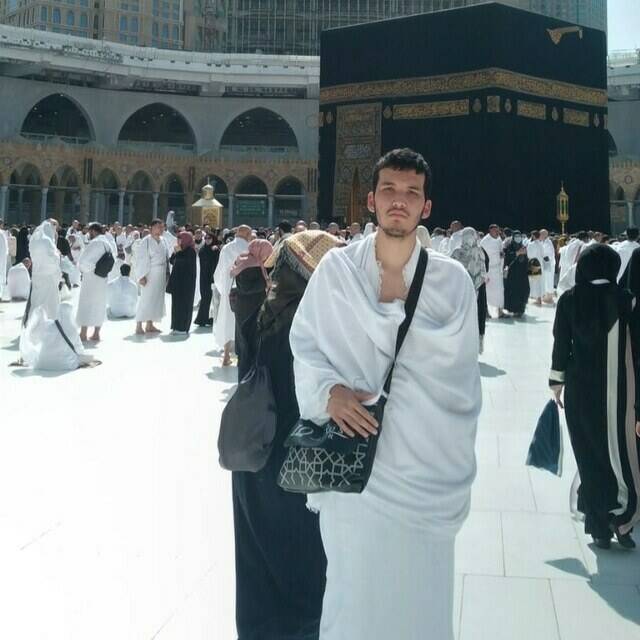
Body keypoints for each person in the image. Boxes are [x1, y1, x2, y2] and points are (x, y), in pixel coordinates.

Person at [289, 148, 481, 640]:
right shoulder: (337, 272)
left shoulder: (453, 283)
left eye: (412, 192)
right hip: (357, 472)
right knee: (354, 599)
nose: (400, 200)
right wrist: (329, 392)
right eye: (389, 190)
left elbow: (462, 385)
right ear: (370, 201)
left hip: (426, 472)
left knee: (421, 602)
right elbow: (305, 345)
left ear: (426, 207)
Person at [232, 231, 341, 640]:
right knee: (305, 569)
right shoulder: (322, 330)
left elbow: (247, 288)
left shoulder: (259, 309)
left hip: (253, 459)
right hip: (301, 465)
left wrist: (253, 273)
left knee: (256, 563)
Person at [551, 244, 640, 549]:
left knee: (588, 453)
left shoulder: (569, 300)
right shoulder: (625, 300)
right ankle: (622, 520)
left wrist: (556, 382)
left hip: (580, 389)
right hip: (617, 390)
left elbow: (561, 344)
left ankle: (599, 527)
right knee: (618, 455)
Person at [230, 238, 273, 375]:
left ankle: (245, 368)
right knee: (248, 338)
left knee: (244, 337)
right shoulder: (251, 265)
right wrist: (266, 283)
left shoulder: (246, 260)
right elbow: (246, 287)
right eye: (267, 253)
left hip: (245, 305)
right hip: (250, 306)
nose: (268, 256)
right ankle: (247, 372)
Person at [213, 225, 251, 366]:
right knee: (242, 322)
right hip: (245, 290)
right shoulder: (250, 248)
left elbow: (219, 271)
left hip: (228, 289)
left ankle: (226, 355)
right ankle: (242, 357)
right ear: (247, 234)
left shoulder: (226, 248)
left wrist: (223, 289)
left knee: (226, 321)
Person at [20, 301, 92, 371]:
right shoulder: (72, 330)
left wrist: (41, 315)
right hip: (66, 365)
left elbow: (35, 338)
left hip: (43, 363)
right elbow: (79, 349)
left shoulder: (49, 325)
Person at [451, 227, 488, 353]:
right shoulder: (479, 251)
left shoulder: (457, 252)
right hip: (477, 288)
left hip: (461, 290)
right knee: (475, 316)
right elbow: (483, 272)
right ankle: (473, 346)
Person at [76, 222, 112, 342]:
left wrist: (83, 269)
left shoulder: (95, 242)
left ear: (93, 231)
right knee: (99, 304)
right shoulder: (107, 242)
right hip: (102, 277)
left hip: (91, 278)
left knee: (86, 303)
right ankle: (96, 333)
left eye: (89, 231)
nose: (88, 234)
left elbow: (84, 262)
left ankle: (83, 333)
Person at [135, 219, 170, 335]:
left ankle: (150, 324)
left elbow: (166, 257)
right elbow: (141, 259)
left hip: (161, 273)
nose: (160, 229)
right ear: (152, 228)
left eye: (162, 227)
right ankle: (139, 325)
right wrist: (141, 276)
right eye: (158, 227)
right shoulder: (146, 241)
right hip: (149, 273)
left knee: (157, 299)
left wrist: (167, 273)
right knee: (146, 299)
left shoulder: (164, 241)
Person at [23, 220, 61, 326]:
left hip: (37, 275)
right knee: (49, 303)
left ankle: (33, 324)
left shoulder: (35, 240)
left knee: (37, 301)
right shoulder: (47, 241)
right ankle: (47, 325)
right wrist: (58, 254)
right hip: (48, 277)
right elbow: (52, 259)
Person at [167, 231, 197, 334]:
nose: (178, 241)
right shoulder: (179, 249)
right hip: (177, 282)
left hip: (186, 284)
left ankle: (183, 327)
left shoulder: (190, 251)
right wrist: (176, 252)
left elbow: (185, 263)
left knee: (184, 305)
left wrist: (178, 253)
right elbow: (172, 261)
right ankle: (176, 326)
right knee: (176, 305)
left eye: (180, 239)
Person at [194, 232, 220, 327]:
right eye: (206, 238)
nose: (207, 240)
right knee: (205, 298)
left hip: (213, 277)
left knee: (214, 300)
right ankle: (202, 319)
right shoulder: (203, 250)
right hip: (204, 277)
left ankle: (211, 318)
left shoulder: (216, 250)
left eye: (209, 238)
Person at [480, 224, 505, 317]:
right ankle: (486, 311)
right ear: (490, 231)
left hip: (497, 270)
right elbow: (481, 257)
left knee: (500, 291)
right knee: (487, 292)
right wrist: (484, 273)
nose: (497, 232)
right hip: (488, 271)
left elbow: (501, 251)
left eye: (498, 231)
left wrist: (501, 255)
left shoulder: (499, 240)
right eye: (495, 231)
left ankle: (500, 311)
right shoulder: (484, 241)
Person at [503, 230, 529, 317]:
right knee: (513, 291)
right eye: (516, 236)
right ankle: (513, 309)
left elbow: (526, 260)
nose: (518, 238)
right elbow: (507, 258)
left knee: (523, 291)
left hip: (522, 274)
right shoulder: (509, 247)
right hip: (513, 274)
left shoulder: (523, 246)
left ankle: (520, 309)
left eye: (519, 236)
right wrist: (517, 253)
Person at [526, 230, 545, 305]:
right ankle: (539, 297)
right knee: (539, 281)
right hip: (540, 263)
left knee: (534, 281)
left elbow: (529, 255)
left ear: (533, 236)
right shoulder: (541, 244)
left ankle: (538, 299)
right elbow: (543, 254)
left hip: (533, 263)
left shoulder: (531, 244)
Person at [540, 229, 556, 303]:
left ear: (544, 235)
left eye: (541, 234)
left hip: (548, 264)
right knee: (546, 280)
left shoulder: (548, 243)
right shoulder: (544, 242)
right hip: (546, 264)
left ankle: (549, 298)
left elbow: (547, 255)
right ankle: (547, 296)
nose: (540, 236)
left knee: (549, 280)